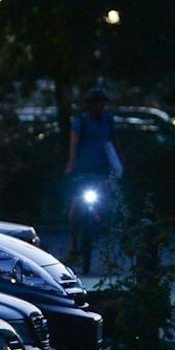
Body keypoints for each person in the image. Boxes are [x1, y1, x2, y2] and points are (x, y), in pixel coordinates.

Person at [64, 87, 123, 267]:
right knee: (74, 211)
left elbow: (113, 143)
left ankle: (101, 226)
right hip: (82, 170)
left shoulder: (108, 120)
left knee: (105, 203)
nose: (100, 107)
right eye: (96, 103)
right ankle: (74, 248)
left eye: (102, 103)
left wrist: (118, 164)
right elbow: (73, 144)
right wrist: (71, 165)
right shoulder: (80, 121)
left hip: (101, 169)